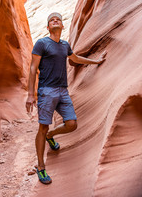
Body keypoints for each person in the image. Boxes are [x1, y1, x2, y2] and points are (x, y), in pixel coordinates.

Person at [25, 12, 106, 184]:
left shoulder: (64, 45)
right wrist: (30, 94)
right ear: (48, 27)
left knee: (72, 124)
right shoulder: (42, 43)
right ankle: (41, 167)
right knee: (42, 128)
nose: (55, 21)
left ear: (62, 26)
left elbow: (74, 58)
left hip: (63, 91)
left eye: (58, 19)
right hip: (46, 91)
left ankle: (51, 136)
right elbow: (33, 68)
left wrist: (96, 61)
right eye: (51, 20)